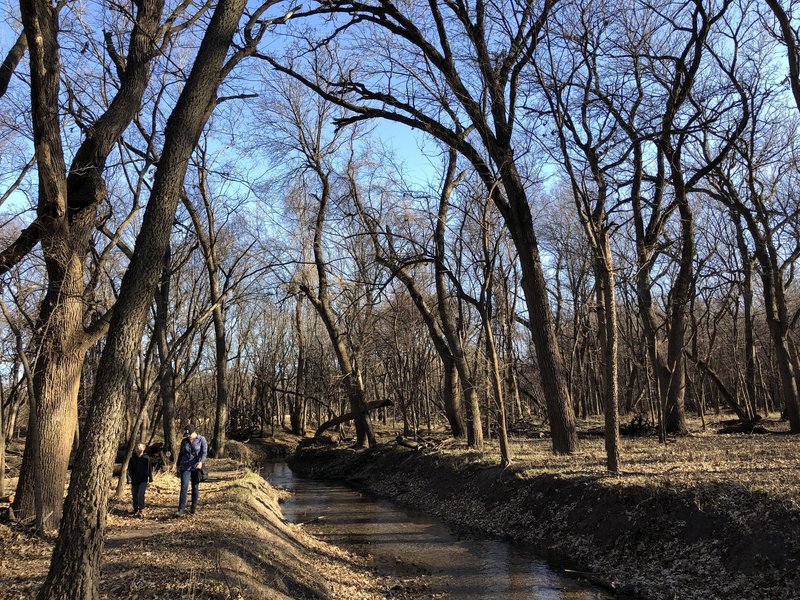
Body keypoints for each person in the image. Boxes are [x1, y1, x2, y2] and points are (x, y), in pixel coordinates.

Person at [175, 424, 208, 516]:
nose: (188, 437)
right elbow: (181, 454)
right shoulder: (184, 441)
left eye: (189, 435)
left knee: (195, 487)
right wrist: (178, 465)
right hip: (185, 466)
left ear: (194, 433)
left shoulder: (202, 440)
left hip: (196, 467)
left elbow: (204, 453)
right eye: (186, 435)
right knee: (184, 487)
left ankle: (193, 507)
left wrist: (201, 462)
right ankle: (181, 509)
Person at [126, 442, 153, 517]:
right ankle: (135, 509)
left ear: (144, 448)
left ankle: (141, 510)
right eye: (137, 447)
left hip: (143, 480)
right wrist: (129, 478)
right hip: (134, 480)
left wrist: (150, 478)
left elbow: (149, 469)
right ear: (135, 449)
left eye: (140, 447)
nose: (138, 448)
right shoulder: (132, 459)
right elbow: (129, 470)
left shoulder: (146, 458)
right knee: (135, 495)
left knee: (140, 494)